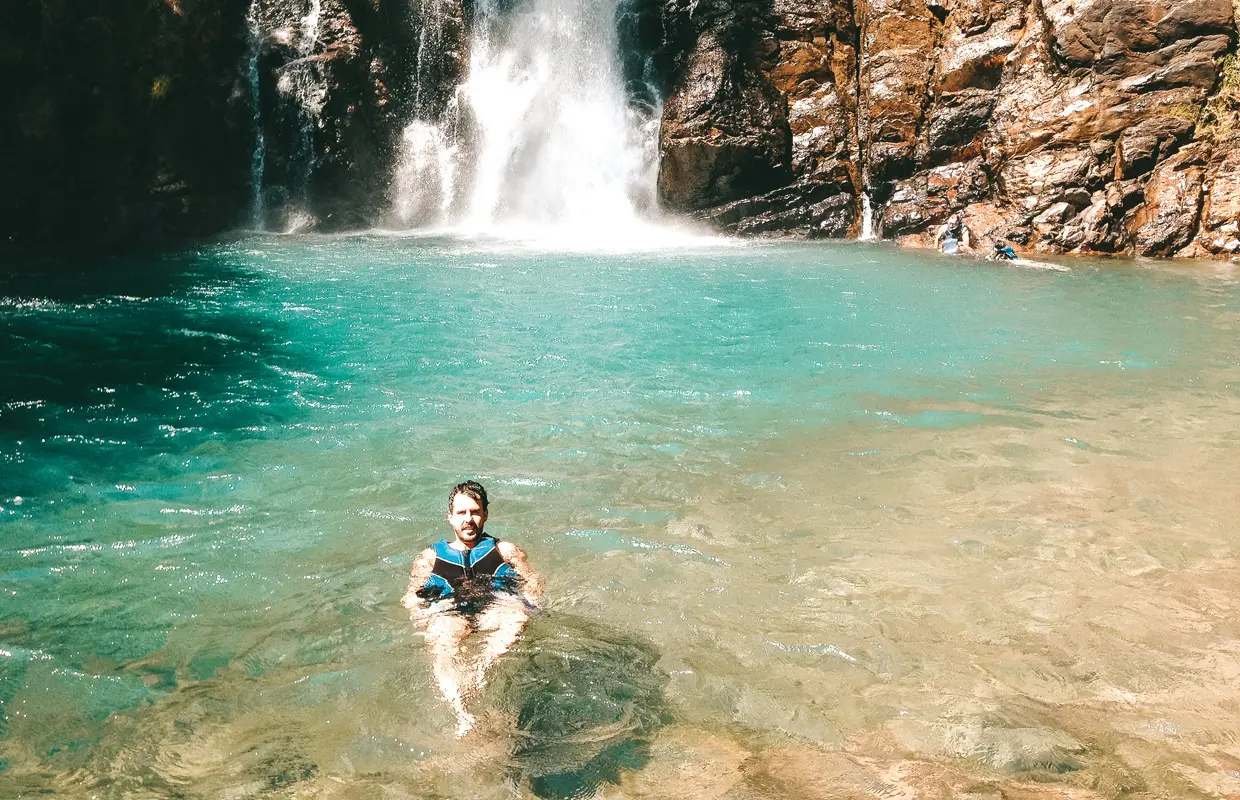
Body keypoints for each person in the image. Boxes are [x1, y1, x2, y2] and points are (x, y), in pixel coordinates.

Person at [403, 480, 545, 737]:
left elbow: (534, 584)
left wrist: (532, 605)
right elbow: (412, 596)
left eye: (475, 512)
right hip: (450, 610)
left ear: (485, 514)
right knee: (442, 636)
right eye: (462, 513)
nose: (469, 519)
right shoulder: (430, 557)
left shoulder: (506, 551)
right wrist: (422, 619)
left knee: (516, 615)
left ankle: (480, 669)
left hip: (496, 605)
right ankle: (463, 713)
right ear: (450, 517)